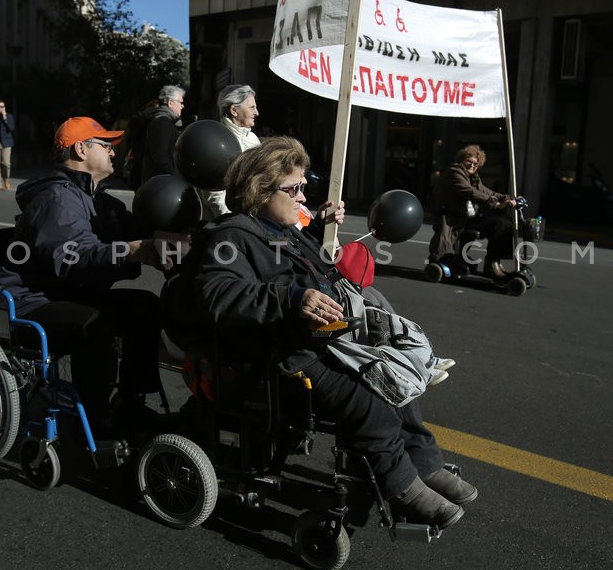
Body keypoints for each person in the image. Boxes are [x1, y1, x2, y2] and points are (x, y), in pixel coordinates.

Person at [192, 136, 476, 530]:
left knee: (400, 377)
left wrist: (323, 230)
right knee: (371, 399)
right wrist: (292, 299)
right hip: (285, 356)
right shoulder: (232, 236)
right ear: (260, 190)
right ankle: (403, 487)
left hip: (328, 339)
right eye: (294, 189)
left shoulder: (284, 229)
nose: (302, 196)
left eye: (303, 186)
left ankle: (425, 464)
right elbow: (217, 293)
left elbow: (319, 267)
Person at [0, 116, 179, 424]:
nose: (114, 153)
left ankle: (130, 401)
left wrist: (174, 235)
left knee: (145, 306)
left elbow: (138, 226)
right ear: (80, 149)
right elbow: (73, 259)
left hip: (69, 294)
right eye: (106, 145)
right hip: (33, 302)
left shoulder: (95, 198)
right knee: (94, 324)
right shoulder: (57, 199)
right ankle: (96, 419)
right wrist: (132, 251)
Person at [428, 144, 518, 279]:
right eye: (468, 162)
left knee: (503, 224)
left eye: (475, 163)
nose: (472, 165)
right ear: (461, 161)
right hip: (454, 220)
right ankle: (447, 262)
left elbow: (487, 191)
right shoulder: (454, 173)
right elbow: (470, 192)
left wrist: (509, 198)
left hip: (468, 219)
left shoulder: (473, 178)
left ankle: (493, 262)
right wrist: (495, 204)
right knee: (498, 222)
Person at [196, 84, 262, 220]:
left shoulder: (253, 139)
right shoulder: (216, 142)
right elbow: (214, 193)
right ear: (234, 110)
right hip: (228, 225)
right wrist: (231, 222)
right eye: (251, 107)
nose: (256, 112)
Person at [139, 85, 185, 184]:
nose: (183, 106)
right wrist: (177, 176)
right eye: (181, 102)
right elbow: (161, 157)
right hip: (160, 184)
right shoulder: (162, 121)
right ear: (170, 102)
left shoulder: (163, 119)